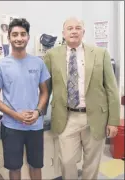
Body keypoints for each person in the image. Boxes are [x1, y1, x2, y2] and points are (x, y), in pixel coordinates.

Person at [43, 17, 120, 180]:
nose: (74, 31)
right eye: (70, 28)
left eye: (78, 28)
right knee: (67, 160)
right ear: (63, 33)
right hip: (66, 116)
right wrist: (39, 112)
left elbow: (112, 88)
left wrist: (114, 120)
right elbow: (46, 88)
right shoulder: (51, 55)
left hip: (96, 116)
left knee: (92, 162)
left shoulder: (100, 53)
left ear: (83, 32)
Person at [0, 18, 50, 180]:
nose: (19, 38)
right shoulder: (0, 66)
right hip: (11, 126)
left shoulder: (38, 63)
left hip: (35, 125)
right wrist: (15, 115)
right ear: (9, 38)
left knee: (36, 166)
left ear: (28, 37)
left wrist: (38, 112)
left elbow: (44, 92)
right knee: (14, 168)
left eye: (23, 34)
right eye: (15, 34)